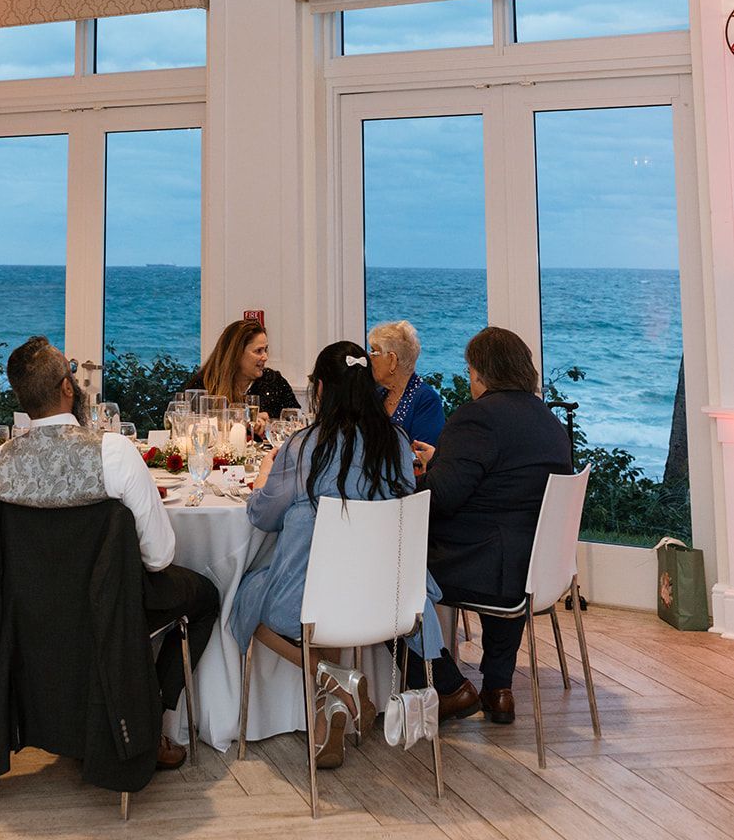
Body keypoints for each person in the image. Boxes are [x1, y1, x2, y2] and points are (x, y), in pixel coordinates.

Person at [0, 336, 219, 771]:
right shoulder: (113, 453)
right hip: (107, 609)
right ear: (68, 388)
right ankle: (153, 719)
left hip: (29, 612)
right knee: (204, 596)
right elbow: (159, 557)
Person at [230, 340, 436, 768]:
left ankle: (334, 678)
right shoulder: (396, 442)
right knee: (332, 590)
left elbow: (265, 517)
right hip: (388, 595)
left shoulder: (304, 446)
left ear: (320, 389)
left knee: (242, 596)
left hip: (316, 598)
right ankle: (328, 729)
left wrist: (265, 477)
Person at [409, 326, 573, 725]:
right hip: (533, 568)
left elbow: (441, 497)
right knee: (502, 536)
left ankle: (447, 685)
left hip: (482, 566)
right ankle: (498, 688)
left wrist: (412, 478)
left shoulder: (478, 417)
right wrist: (446, 458)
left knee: (388, 570)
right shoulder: (549, 422)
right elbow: (500, 482)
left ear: (480, 372)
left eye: (470, 372)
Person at [183, 319, 297, 434]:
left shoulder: (274, 381)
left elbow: (296, 422)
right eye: (258, 351)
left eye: (265, 350)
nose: (265, 357)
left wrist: (270, 424)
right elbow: (186, 427)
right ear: (236, 354)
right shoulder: (203, 384)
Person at [367, 320, 445, 446]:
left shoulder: (426, 400)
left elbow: (421, 455)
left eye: (374, 352)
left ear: (392, 360)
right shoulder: (378, 393)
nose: (369, 358)